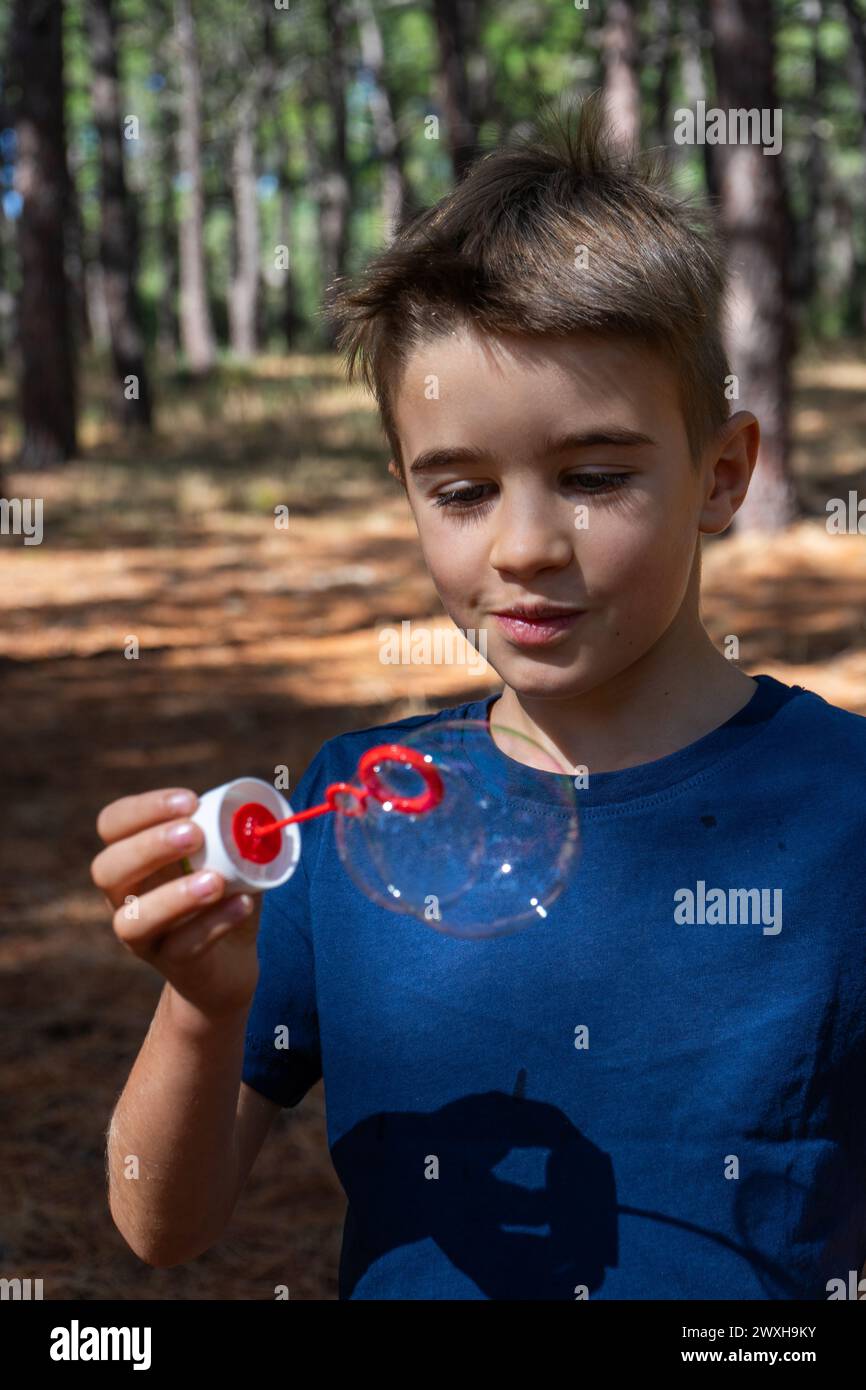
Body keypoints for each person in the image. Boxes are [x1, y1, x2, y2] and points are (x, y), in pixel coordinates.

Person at [91, 93, 866, 1300]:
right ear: (403, 488)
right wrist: (200, 1006)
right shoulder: (347, 812)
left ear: (720, 476)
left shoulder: (843, 810)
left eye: (593, 475)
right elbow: (160, 1225)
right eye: (459, 491)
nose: (522, 547)